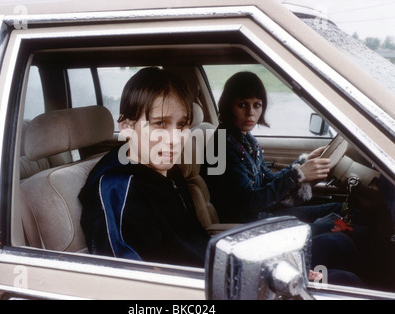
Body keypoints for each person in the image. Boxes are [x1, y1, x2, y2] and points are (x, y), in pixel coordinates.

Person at [78, 67, 210, 268]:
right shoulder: (117, 190)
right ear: (127, 127)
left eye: (182, 124)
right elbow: (134, 280)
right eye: (159, 124)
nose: (174, 139)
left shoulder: (168, 169)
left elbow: (191, 240)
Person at [201, 71, 343, 232]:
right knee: (340, 228)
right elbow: (249, 202)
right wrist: (298, 174)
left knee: (339, 209)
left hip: (261, 214)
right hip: (248, 225)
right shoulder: (221, 145)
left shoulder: (244, 138)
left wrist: (303, 164)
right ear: (228, 106)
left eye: (257, 105)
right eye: (242, 105)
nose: (250, 113)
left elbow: (267, 179)